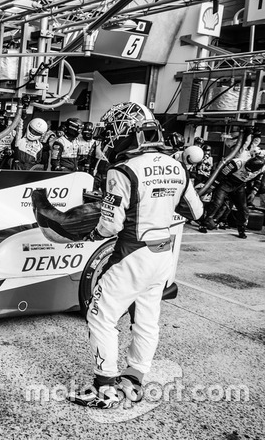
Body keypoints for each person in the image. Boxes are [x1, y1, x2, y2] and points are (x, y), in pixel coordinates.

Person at [68, 102, 203, 409]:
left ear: (127, 133)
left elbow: (111, 224)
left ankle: (105, 387)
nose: (110, 138)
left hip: (132, 253)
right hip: (162, 254)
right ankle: (134, 381)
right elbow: (196, 210)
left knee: (100, 315)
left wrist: (90, 233)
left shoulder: (123, 170)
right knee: (146, 319)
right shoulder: (177, 165)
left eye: (113, 131)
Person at [199, 155, 265, 238]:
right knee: (216, 203)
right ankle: (204, 224)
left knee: (243, 208)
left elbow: (258, 181)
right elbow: (221, 174)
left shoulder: (262, 169)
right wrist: (212, 186)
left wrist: (253, 192)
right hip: (226, 183)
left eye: (250, 170)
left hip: (239, 186)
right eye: (247, 168)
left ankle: (241, 229)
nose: (247, 171)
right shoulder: (237, 163)